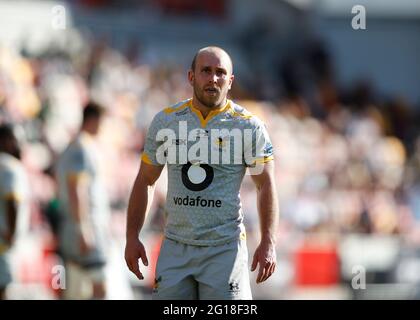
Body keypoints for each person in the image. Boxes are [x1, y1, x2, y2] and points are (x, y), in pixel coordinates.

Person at [125, 46, 279, 299]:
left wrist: (268, 242)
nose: (213, 78)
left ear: (230, 81)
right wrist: (132, 236)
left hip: (225, 249)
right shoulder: (166, 122)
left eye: (220, 73)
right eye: (206, 71)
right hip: (176, 245)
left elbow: (266, 185)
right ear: (191, 77)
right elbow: (146, 180)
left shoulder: (249, 126)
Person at [56, 102, 110, 299]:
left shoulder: (73, 146)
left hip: (73, 226)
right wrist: (83, 229)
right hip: (86, 228)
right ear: (94, 120)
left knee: (76, 289)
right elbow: (76, 189)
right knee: (99, 287)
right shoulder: (81, 148)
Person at [0, 124, 29, 300]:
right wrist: (11, 234)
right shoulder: (10, 166)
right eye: (17, 140)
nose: (20, 145)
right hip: (3, 245)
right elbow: (12, 201)